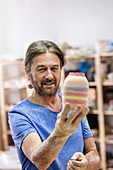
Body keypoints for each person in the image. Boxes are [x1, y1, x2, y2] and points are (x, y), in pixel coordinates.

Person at [8, 40, 101, 170]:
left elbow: (95, 157)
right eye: (42, 69)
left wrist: (85, 162)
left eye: (54, 68)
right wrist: (60, 134)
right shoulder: (19, 114)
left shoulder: (72, 105)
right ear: (28, 72)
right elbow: (40, 161)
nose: (49, 75)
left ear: (61, 70)